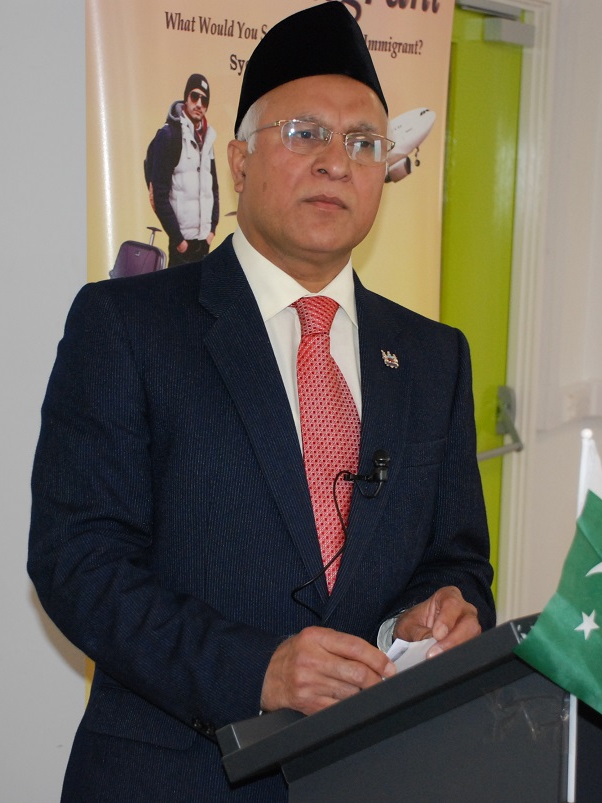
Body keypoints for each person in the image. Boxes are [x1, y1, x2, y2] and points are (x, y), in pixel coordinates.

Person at [29, 4, 495, 800]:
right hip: (175, 775)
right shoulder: (129, 326)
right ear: (240, 161)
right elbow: (79, 562)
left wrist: (439, 613)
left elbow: (458, 558)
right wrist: (259, 670)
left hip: (372, 776)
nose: (336, 162)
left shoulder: (432, 356)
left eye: (364, 143)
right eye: (305, 133)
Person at [145, 72, 219, 267]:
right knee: (176, 287)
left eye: (204, 100)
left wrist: (212, 230)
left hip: (204, 242)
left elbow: (214, 188)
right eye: (195, 96)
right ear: (186, 98)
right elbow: (159, 194)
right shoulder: (169, 136)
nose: (199, 104)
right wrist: (179, 241)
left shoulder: (208, 138)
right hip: (182, 246)